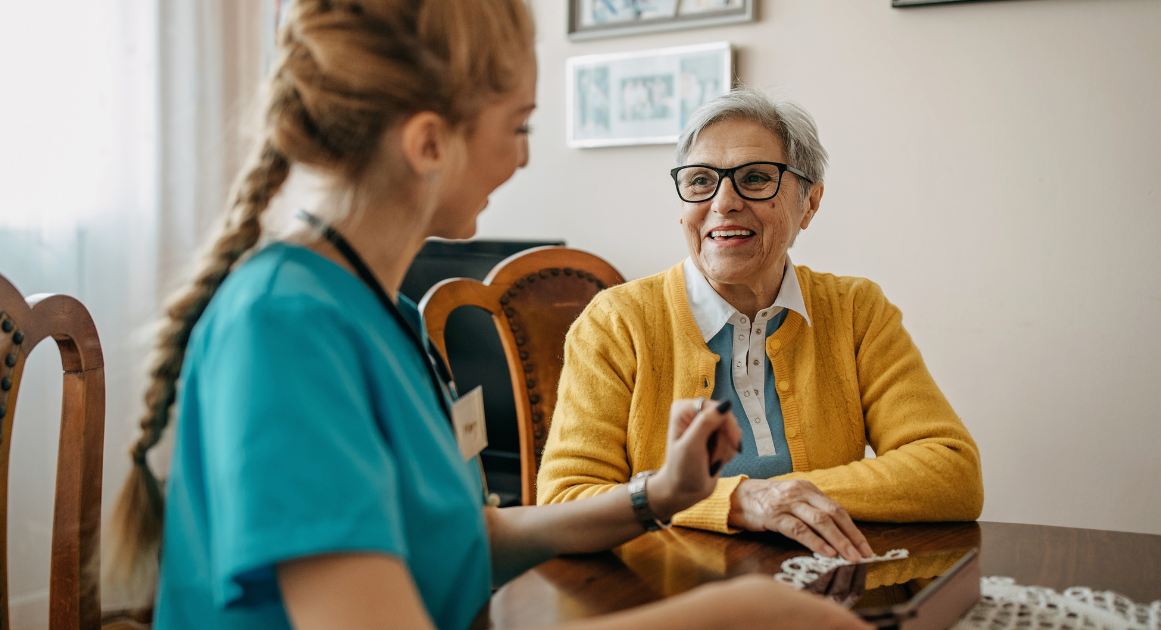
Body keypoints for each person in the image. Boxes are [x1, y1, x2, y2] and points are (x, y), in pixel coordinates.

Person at [108, 2, 872, 630]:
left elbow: (469, 535)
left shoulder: (389, 316)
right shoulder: (282, 329)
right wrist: (738, 613)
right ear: (430, 142)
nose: (525, 159)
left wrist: (659, 496)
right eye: (519, 125)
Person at [537, 88, 984, 562]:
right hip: (661, 592)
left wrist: (776, 498)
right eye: (700, 181)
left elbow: (951, 472)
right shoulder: (615, 322)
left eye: (754, 178)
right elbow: (567, 499)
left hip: (818, 590)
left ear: (809, 203)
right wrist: (738, 503)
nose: (723, 202)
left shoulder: (856, 309)